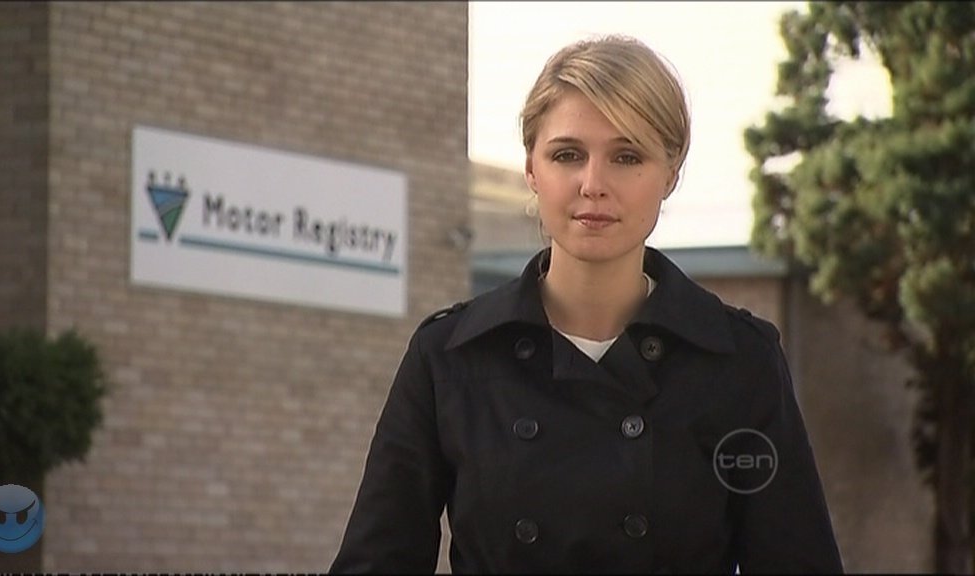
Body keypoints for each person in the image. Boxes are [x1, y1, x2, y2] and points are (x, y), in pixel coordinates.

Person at [330, 34, 843, 574]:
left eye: (627, 156)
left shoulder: (738, 362)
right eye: (567, 155)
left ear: (671, 173)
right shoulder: (451, 358)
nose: (593, 184)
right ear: (532, 169)